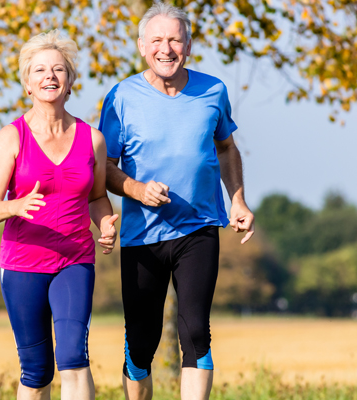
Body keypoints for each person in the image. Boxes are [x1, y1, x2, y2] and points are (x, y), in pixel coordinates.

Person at [98, 2, 255, 400]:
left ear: (188, 45)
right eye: (157, 40)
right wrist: (135, 189)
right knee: (140, 344)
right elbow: (105, 166)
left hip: (199, 227)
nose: (165, 48)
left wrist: (237, 200)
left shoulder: (213, 90)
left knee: (196, 332)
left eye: (174, 39)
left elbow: (227, 149)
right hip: (142, 235)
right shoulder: (120, 97)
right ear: (141, 46)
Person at [0, 30, 118, 400]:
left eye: (58, 70)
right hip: (23, 264)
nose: (49, 77)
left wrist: (104, 222)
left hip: (75, 260)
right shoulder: (12, 138)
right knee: (37, 371)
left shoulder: (93, 139)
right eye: (40, 70)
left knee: (73, 356)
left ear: (70, 81)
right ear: (28, 83)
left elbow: (97, 196)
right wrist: (15, 206)